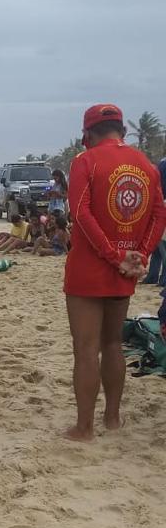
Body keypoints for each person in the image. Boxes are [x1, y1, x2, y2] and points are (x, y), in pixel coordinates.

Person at [63, 103, 166, 442]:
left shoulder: (85, 162)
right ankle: (112, 419)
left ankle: (84, 427)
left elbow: (81, 213)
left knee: (86, 348)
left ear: (89, 135)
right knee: (113, 344)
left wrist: (113, 255)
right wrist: (141, 255)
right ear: (122, 131)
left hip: (89, 269)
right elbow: (158, 215)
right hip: (125, 270)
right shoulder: (146, 165)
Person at [143, 154, 166, 286]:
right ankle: (162, 279)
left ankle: (152, 276)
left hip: (157, 204)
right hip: (162, 204)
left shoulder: (160, 164)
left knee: (158, 246)